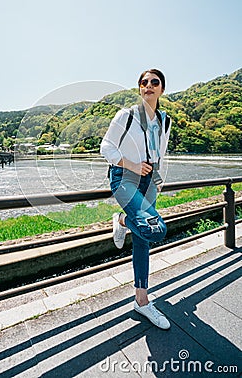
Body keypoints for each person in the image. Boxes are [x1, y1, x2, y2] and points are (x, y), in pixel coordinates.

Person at [100, 68, 172, 330]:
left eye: (155, 82)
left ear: (162, 89)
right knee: (155, 229)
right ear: (139, 88)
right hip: (124, 177)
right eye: (144, 82)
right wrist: (131, 164)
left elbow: (161, 154)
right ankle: (121, 220)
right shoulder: (126, 115)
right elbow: (105, 147)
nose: (148, 85)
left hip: (150, 180)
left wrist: (159, 180)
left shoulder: (164, 120)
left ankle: (141, 301)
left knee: (143, 238)